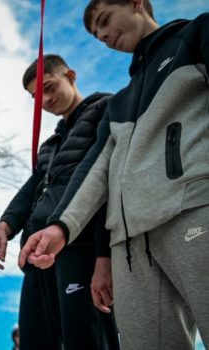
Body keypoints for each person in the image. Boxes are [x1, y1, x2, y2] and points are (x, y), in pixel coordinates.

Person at [19, 1, 209, 348]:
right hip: (130, 247)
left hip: (194, 211)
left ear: (137, 3)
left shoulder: (197, 34)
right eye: (95, 33)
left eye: (105, 21)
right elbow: (96, 170)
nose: (103, 35)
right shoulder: (119, 103)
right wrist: (61, 227)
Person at [0, 54, 119, 349]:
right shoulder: (50, 144)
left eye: (50, 87)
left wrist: (105, 255)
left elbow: (108, 184)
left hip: (80, 248)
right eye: (36, 96)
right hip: (37, 255)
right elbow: (31, 190)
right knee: (34, 341)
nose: (45, 99)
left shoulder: (106, 109)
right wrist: (4, 227)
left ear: (71, 76)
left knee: (86, 341)